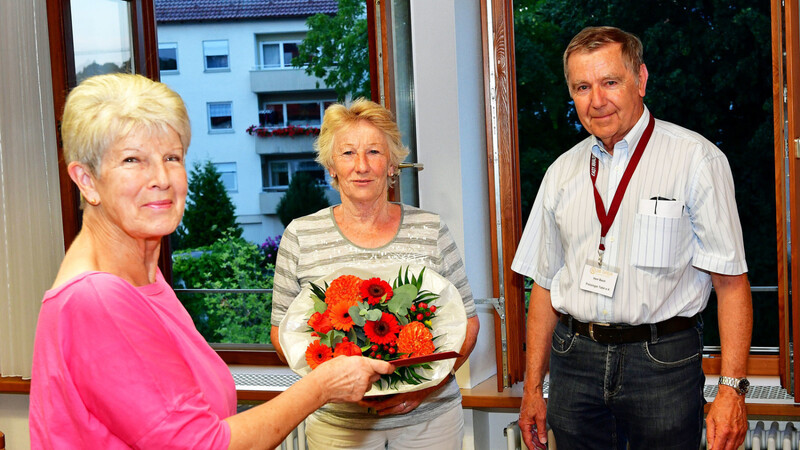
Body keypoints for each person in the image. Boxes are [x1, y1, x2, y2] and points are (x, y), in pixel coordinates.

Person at [29, 73, 393, 449]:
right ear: (86, 180)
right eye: (132, 159)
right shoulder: (96, 298)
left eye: (172, 157)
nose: (161, 178)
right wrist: (323, 386)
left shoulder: (144, 279)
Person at [512, 26, 752, 450]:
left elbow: (731, 283)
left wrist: (732, 389)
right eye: (582, 87)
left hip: (662, 363)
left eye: (610, 82)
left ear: (640, 80)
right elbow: (544, 285)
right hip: (574, 361)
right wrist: (533, 388)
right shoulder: (561, 173)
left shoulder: (695, 160)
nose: (596, 100)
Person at [270, 98, 480, 450]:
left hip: (430, 420)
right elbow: (281, 333)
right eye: (348, 153)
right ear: (331, 166)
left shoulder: (430, 228)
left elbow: (468, 325)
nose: (362, 166)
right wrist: (336, 386)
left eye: (374, 152)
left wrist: (423, 390)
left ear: (393, 163)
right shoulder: (300, 235)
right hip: (339, 425)